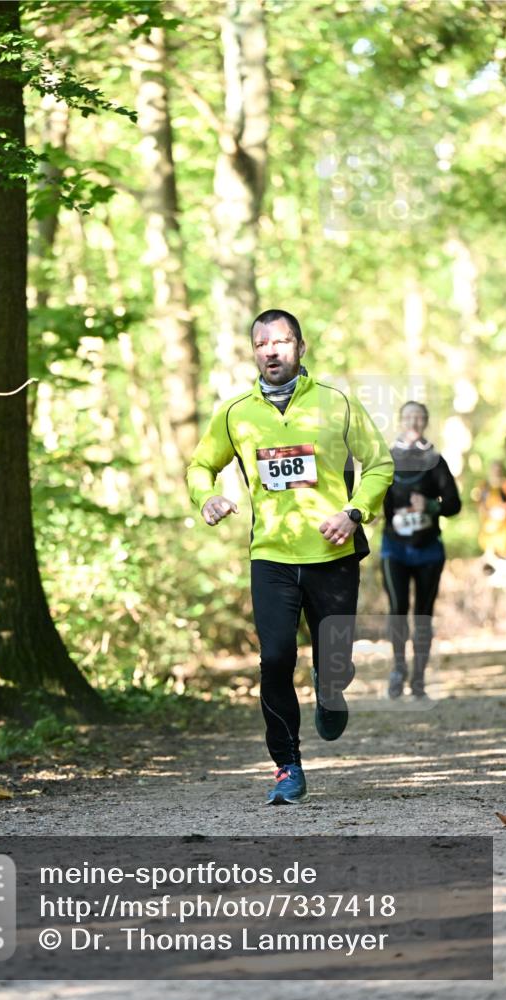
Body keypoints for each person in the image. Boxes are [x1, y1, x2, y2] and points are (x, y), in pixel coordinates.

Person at [186, 310, 394, 805]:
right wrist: (206, 497)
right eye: (262, 345)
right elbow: (200, 465)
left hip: (333, 552)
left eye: (281, 342)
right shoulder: (236, 412)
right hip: (272, 557)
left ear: (301, 347)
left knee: (335, 662)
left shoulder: (337, 403)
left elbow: (380, 462)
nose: (271, 352)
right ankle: (287, 766)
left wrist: (354, 511)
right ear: (253, 352)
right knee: (276, 658)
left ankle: (332, 684)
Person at [381, 401, 461, 699]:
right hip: (395, 549)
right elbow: (376, 499)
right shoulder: (387, 459)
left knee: (423, 614)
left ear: (425, 422)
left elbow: (454, 504)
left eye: (419, 418)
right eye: (408, 417)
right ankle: (398, 669)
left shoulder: (435, 461)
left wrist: (429, 505)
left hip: (428, 550)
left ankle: (418, 680)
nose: (413, 422)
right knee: (398, 610)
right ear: (401, 421)